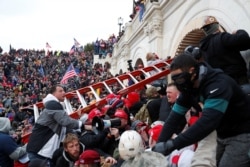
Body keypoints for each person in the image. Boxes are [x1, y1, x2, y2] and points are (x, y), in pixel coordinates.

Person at [152, 53, 250, 166]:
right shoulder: (188, 88)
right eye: (174, 80)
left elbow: (207, 123)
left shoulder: (218, 84)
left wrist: (172, 145)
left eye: (179, 79)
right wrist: (159, 145)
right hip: (223, 133)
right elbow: (174, 118)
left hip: (243, 132)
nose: (178, 84)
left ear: (192, 72)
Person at [27, 85, 87, 166]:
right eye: (60, 91)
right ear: (53, 94)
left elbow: (65, 128)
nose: (64, 93)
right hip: (40, 151)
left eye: (64, 90)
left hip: (39, 150)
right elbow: (66, 122)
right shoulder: (53, 104)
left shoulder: (52, 105)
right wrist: (82, 125)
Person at [199, 15, 250, 85]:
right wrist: (238, 31)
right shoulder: (222, 38)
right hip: (237, 81)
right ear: (216, 26)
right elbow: (244, 39)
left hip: (222, 84)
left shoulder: (203, 48)